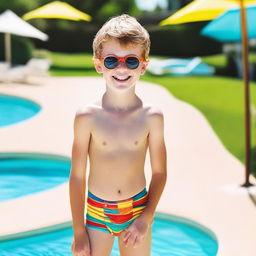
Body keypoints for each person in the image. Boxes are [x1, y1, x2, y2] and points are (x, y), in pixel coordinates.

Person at [69, 14, 167, 256]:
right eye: (112, 61)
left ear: (143, 66)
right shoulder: (86, 117)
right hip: (97, 213)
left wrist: (146, 218)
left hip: (137, 211)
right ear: (99, 65)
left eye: (131, 61)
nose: (122, 68)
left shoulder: (152, 117)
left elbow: (159, 172)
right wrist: (78, 231)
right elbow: (77, 177)